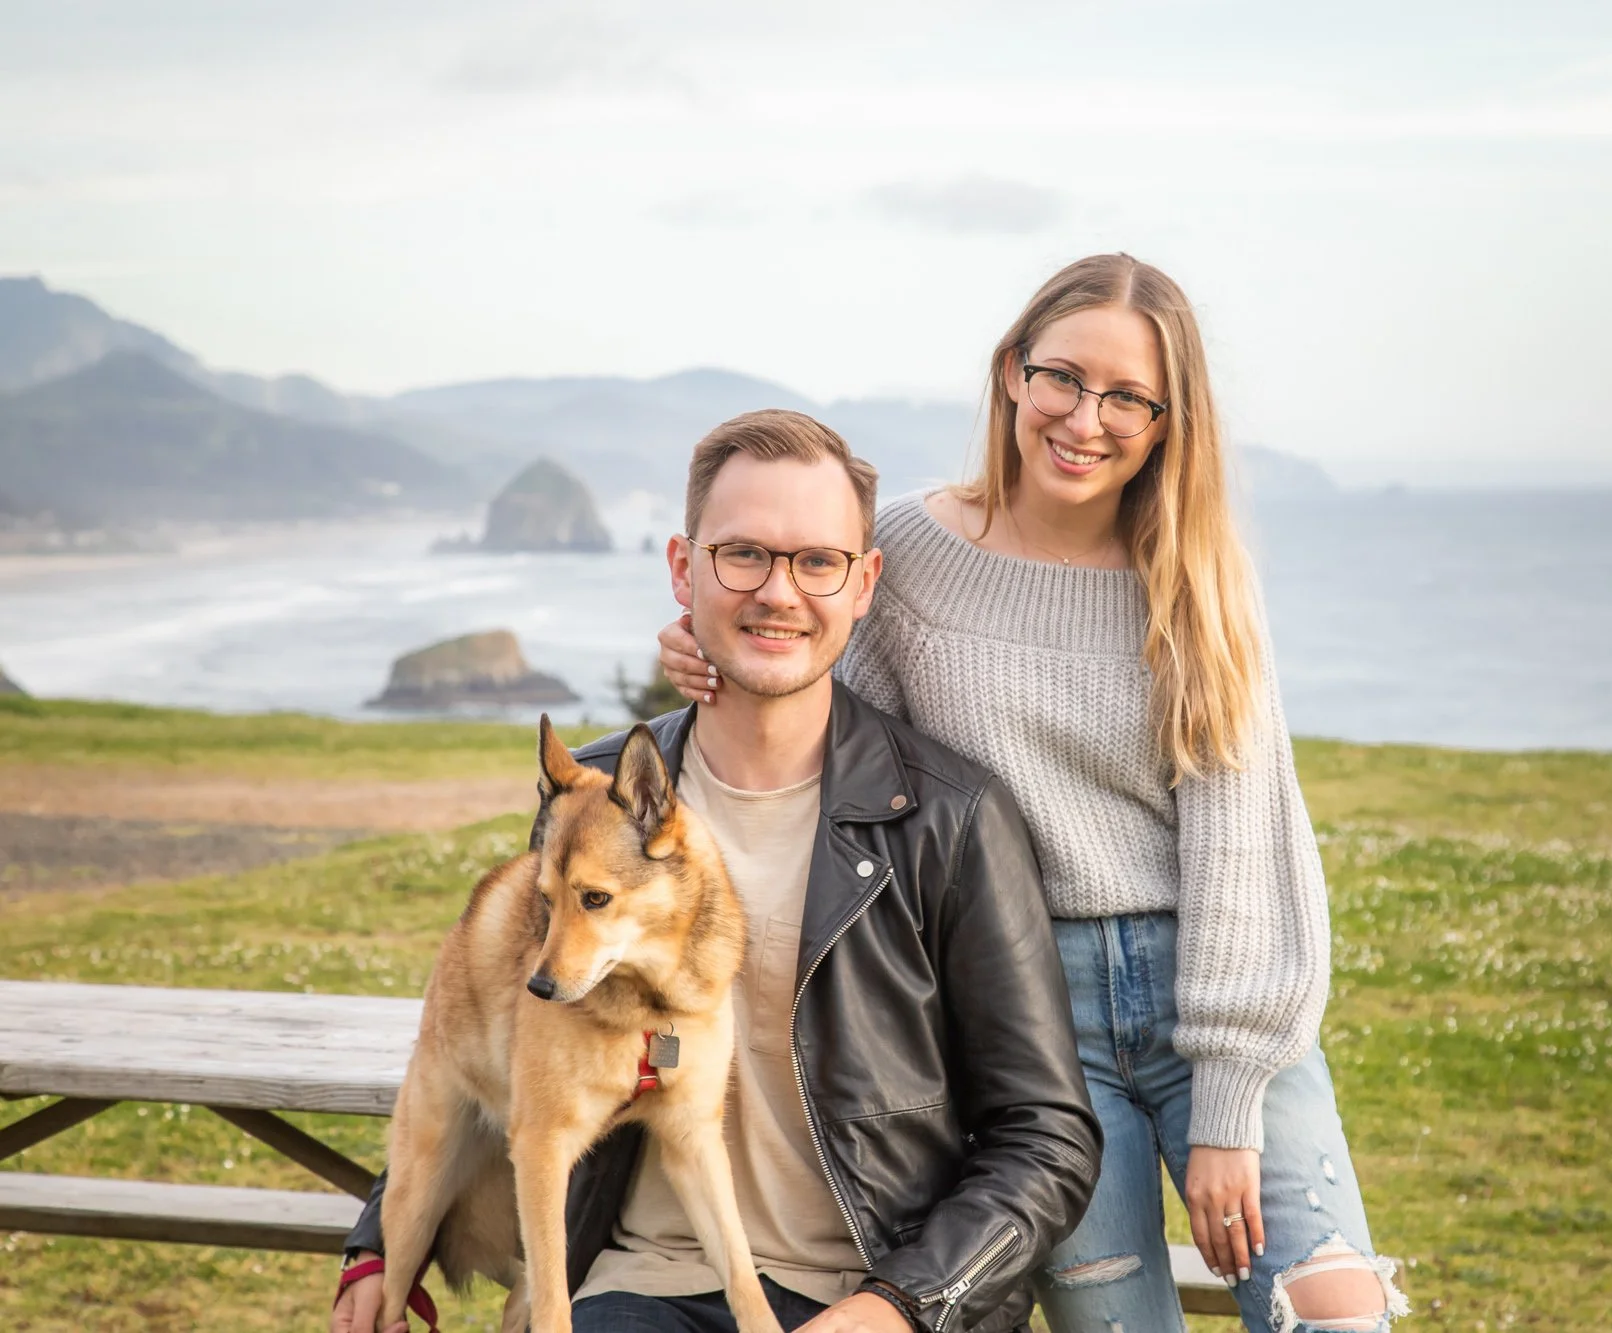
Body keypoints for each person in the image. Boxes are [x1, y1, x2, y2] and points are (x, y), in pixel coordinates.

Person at [659, 255, 1405, 1333]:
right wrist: (705, 648)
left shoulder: (1192, 579)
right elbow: (829, 714)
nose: (1085, 418)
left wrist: (1228, 1104)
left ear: (1164, 419)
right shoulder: (908, 554)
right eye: (1062, 378)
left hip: (1212, 994)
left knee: (1332, 1312)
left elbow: (1241, 837)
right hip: (1026, 1015)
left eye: (1126, 398)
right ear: (1013, 371)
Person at [334, 410, 1101, 1333]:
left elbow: (1045, 1137)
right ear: (681, 568)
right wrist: (382, 1236)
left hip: (869, 1295)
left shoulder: (948, 818)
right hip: (632, 1286)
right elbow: (480, 1027)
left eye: (816, 561)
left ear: (864, 584)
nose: (779, 591)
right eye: (742, 554)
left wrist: (901, 1305)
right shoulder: (590, 795)